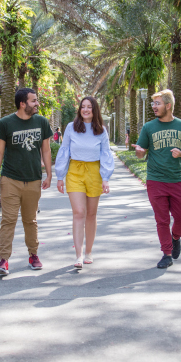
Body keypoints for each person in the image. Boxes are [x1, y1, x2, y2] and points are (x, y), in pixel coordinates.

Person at [131, 89, 181, 269]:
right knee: (162, 219)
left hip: (176, 180)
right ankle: (166, 254)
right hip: (155, 181)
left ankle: (176, 237)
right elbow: (141, 152)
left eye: (157, 103)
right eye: (153, 103)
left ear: (168, 106)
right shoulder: (149, 127)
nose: (154, 106)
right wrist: (139, 151)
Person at [0, 88, 53, 276]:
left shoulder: (41, 122)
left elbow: (46, 151)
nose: (37, 104)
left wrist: (49, 175)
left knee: (30, 220)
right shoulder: (6, 123)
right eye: (33, 101)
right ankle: (3, 260)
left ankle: (33, 255)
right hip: (10, 179)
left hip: (33, 179)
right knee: (8, 220)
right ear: (22, 104)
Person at [55, 97, 114, 269]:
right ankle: (78, 255)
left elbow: (105, 154)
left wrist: (105, 178)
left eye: (89, 107)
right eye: (83, 107)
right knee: (79, 212)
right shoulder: (71, 128)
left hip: (94, 172)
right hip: (75, 171)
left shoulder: (101, 130)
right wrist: (60, 176)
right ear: (79, 109)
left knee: (91, 214)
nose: (86, 110)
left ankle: (89, 251)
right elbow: (64, 151)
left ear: (95, 110)